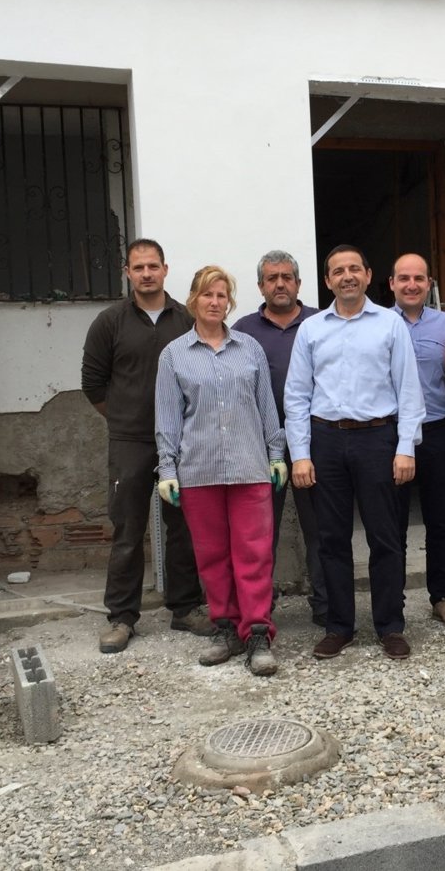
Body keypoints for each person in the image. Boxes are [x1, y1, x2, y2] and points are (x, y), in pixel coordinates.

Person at [284, 245, 426, 661]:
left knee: (385, 537)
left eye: (353, 269)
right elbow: (296, 394)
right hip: (325, 440)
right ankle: (339, 626)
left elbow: (408, 390)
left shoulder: (390, 324)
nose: (346, 276)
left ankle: (390, 625)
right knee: (331, 538)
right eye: (337, 271)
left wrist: (405, 448)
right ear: (327, 281)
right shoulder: (311, 329)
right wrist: (300, 454)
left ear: (367, 275)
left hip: (377, 438)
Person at [81, 238, 211, 654]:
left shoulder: (187, 318)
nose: (146, 274)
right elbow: (93, 384)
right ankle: (122, 617)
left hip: (183, 441)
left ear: (165, 269)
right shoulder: (109, 322)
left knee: (184, 527)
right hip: (131, 442)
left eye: (153, 266)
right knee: (128, 529)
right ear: (128, 272)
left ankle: (185, 607)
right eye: (138, 268)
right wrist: (125, 418)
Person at [155, 266, 286, 676]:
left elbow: (266, 405)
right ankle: (226, 628)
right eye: (207, 295)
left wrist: (276, 453)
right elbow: (168, 416)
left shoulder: (249, 349)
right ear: (193, 300)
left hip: (250, 468)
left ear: (229, 302)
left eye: (221, 295)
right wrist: (167, 468)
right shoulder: (174, 355)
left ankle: (258, 632)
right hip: (199, 470)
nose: (214, 302)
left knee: (254, 554)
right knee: (212, 557)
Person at [231, 250, 326, 626]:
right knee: (259, 532)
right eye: (272, 278)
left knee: (320, 528)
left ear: (299, 284)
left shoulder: (321, 323)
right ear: (260, 286)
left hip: (314, 443)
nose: (280, 284)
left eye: (287, 277)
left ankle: (326, 605)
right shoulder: (243, 330)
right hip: (258, 446)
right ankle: (258, 609)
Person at [389, 253, 445, 628]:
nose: (411, 285)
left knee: (438, 520)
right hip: (391, 434)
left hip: (435, 430)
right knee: (393, 522)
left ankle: (441, 596)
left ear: (429, 283)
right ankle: (393, 600)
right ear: (391, 284)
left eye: (419, 278)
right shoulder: (380, 323)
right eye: (404, 278)